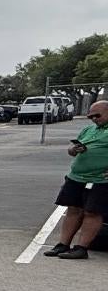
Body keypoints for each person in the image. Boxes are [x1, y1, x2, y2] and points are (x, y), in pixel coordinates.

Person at [44, 99, 108, 259]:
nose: (94, 119)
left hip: (100, 179)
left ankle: (81, 247)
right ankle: (63, 244)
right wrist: (73, 149)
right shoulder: (88, 130)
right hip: (77, 177)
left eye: (97, 115)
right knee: (73, 209)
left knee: (92, 212)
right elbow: (71, 151)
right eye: (91, 116)